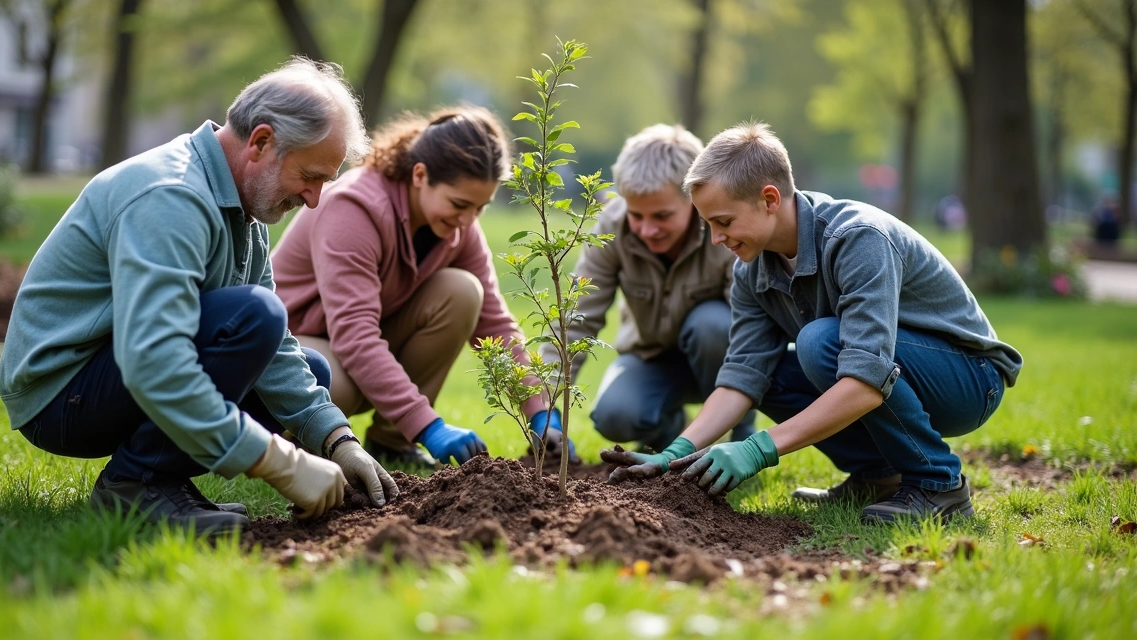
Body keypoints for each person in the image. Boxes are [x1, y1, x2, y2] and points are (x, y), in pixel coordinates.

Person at [0, 58, 399, 536]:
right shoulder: (171, 195)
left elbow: (278, 352)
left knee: (308, 369)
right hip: (60, 394)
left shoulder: (245, 205)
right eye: (310, 176)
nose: (313, 199)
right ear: (262, 142)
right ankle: (136, 483)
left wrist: (336, 439)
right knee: (256, 316)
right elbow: (153, 361)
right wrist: (282, 463)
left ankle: (161, 480)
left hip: (108, 375)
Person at [601, 122, 1023, 523]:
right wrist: (675, 452)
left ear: (769, 199)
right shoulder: (752, 270)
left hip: (969, 379)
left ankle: (939, 484)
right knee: (773, 374)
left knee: (820, 342)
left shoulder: (858, 238)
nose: (716, 239)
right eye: (708, 225)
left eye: (723, 222)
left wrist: (758, 448)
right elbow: (742, 377)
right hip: (889, 371)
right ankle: (877, 476)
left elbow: (866, 376)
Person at [270, 106, 552, 467]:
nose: (467, 221)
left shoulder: (456, 226)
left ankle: (392, 442)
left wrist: (539, 411)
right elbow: (355, 336)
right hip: (293, 345)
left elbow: (494, 323)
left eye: (479, 209)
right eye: (459, 204)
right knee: (337, 384)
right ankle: (300, 440)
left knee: (463, 292)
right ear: (420, 175)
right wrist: (429, 427)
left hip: (350, 340)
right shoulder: (355, 208)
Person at [540, 124, 755, 455]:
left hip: (719, 357)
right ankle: (667, 431)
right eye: (636, 215)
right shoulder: (611, 229)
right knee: (614, 416)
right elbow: (576, 318)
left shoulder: (725, 232)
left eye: (662, 215)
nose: (647, 229)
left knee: (711, 324)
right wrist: (548, 412)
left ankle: (739, 432)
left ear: (695, 200)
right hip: (650, 358)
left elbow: (749, 326)